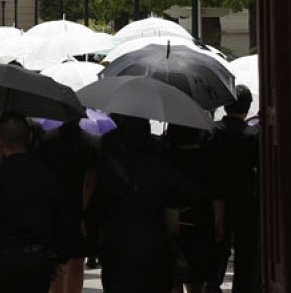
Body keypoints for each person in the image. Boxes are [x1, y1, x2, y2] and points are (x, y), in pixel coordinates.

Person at [87, 115, 196, 293]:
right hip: (154, 244)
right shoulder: (162, 162)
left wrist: (93, 238)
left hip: (116, 244)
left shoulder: (107, 164)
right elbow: (176, 205)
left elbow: (96, 207)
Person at [0, 113, 65, 292]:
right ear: (29, 139)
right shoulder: (45, 175)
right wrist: (60, 255)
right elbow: (58, 216)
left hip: (1, 260)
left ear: (0, 142)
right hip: (37, 259)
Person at [34, 116, 98, 293]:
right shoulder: (90, 142)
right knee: (76, 261)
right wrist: (85, 210)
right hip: (77, 207)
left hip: (53, 208)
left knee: (57, 262)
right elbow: (90, 180)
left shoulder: (47, 140)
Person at [205, 88, 259, 292]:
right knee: (246, 253)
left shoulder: (213, 131)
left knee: (217, 250)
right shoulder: (254, 134)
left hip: (216, 199)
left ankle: (212, 285)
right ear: (247, 107)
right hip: (246, 200)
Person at [162, 125, 216, 293]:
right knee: (197, 278)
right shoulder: (207, 156)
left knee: (173, 275)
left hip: (170, 218)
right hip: (200, 219)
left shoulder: (165, 156)